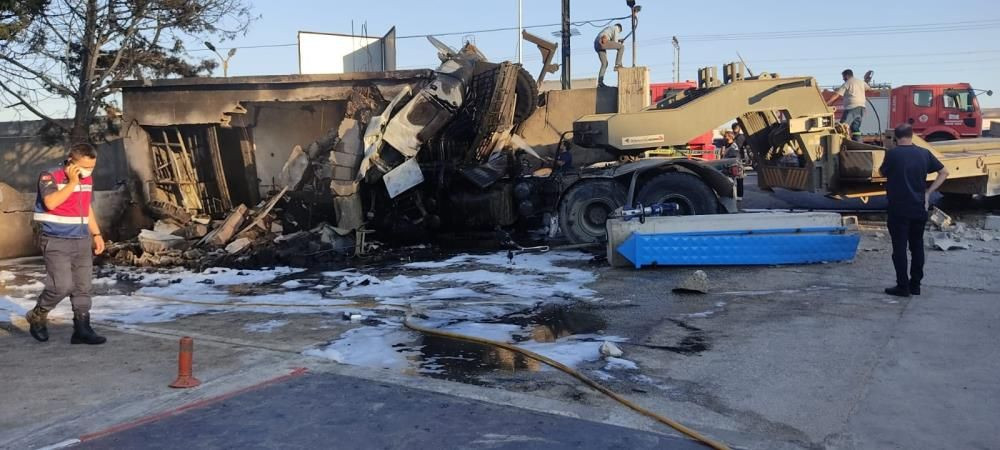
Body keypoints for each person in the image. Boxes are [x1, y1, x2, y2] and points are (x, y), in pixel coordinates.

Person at [25, 143, 107, 344]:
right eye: (85, 167)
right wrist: (72, 182)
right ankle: (38, 314)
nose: (89, 171)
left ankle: (82, 329)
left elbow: (86, 206)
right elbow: (51, 203)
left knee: (82, 287)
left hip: (81, 239)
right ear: (71, 161)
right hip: (56, 239)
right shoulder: (50, 175)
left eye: (92, 167)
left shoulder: (88, 179)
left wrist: (96, 234)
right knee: (61, 286)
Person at [879, 124, 949, 297]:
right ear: (912, 135)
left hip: (898, 209)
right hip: (919, 207)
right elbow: (944, 172)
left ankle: (902, 286)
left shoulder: (892, 154)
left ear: (896, 137)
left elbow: (882, 173)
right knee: (917, 247)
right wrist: (928, 192)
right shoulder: (924, 153)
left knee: (900, 249)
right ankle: (915, 285)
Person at [826, 69, 871, 141]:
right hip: (861, 108)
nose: (843, 79)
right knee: (855, 128)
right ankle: (858, 143)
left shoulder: (847, 83)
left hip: (852, 108)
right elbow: (868, 89)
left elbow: (837, 95)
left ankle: (840, 144)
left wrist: (827, 104)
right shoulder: (861, 82)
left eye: (843, 77)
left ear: (847, 76)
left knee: (841, 127)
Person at [594, 23, 624, 88]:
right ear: (619, 28)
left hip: (596, 44)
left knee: (604, 63)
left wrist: (619, 41)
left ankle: (600, 83)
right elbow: (615, 42)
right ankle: (618, 64)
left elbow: (612, 41)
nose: (619, 33)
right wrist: (620, 43)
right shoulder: (616, 28)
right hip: (602, 41)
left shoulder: (609, 28)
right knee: (621, 47)